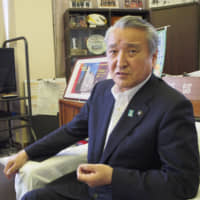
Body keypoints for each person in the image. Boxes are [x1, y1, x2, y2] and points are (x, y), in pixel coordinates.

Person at [4, 16, 200, 200]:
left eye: (132, 51)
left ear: (153, 57)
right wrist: (27, 153)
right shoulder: (102, 91)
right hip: (90, 189)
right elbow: (71, 130)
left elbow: (184, 183)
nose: (120, 62)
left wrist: (114, 177)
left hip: (130, 193)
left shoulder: (172, 106)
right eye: (113, 52)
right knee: (33, 197)